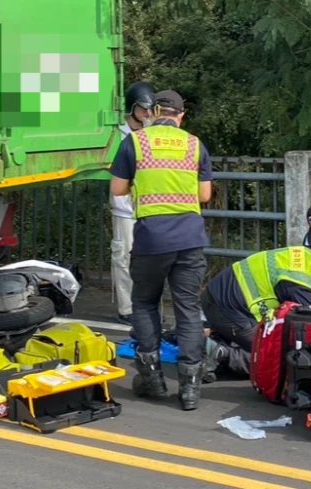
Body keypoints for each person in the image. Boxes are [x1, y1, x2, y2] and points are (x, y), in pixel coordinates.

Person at [109, 90, 212, 411]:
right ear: (181, 116)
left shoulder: (136, 142)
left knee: (144, 302)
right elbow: (205, 195)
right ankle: (190, 388)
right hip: (190, 238)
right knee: (188, 308)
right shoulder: (195, 145)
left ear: (154, 112)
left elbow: (117, 188)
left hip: (152, 238)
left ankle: (151, 378)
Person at [202, 246, 311, 376]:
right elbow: (299, 336)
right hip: (225, 309)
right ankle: (221, 353)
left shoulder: (307, 254)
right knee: (276, 359)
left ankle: (213, 341)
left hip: (217, 293)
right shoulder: (304, 290)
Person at [108, 81, 158, 322]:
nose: (148, 115)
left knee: (151, 261)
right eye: (143, 109)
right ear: (132, 108)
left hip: (151, 206)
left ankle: (149, 308)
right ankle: (127, 308)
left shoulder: (154, 135)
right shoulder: (116, 134)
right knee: (124, 257)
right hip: (124, 207)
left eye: (151, 110)